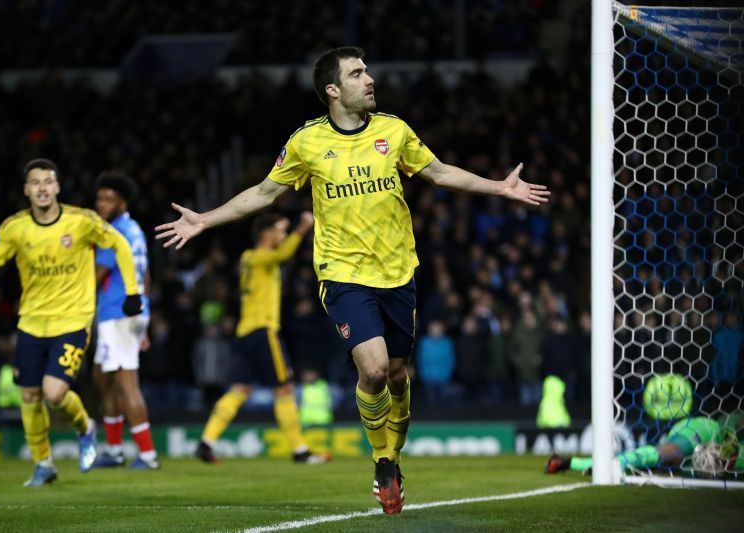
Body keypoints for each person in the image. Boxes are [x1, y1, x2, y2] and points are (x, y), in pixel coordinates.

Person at [155, 47, 549, 514]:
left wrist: (499, 187)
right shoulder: (305, 143)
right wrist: (205, 219)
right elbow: (263, 194)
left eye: (367, 71)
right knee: (375, 369)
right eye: (357, 73)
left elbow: (440, 173)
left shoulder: (394, 130)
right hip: (342, 275)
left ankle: (392, 455)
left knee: (400, 376)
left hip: (398, 272)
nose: (369, 79)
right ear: (332, 90)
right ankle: (383, 462)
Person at [0, 159, 143, 486]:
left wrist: (133, 292)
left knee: (53, 392)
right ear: (26, 190)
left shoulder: (81, 221)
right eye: (35, 183)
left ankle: (86, 427)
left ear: (57, 187)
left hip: (73, 319)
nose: (41, 188)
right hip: (32, 322)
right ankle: (44, 464)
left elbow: (119, 245)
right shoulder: (15, 228)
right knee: (29, 396)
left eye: (47, 182)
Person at [195, 212, 332, 465]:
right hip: (264, 331)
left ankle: (206, 442)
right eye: (280, 229)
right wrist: (302, 228)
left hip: (245, 333)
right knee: (285, 389)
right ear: (265, 233)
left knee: (239, 389)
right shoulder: (260, 257)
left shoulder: (248, 258)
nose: (283, 235)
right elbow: (282, 254)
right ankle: (300, 451)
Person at [91, 172, 159, 470]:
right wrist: (144, 317)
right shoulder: (134, 230)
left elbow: (96, 276)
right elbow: (144, 276)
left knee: (125, 384)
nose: (101, 204)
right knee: (103, 378)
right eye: (99, 198)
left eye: (109, 199)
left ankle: (147, 455)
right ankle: (115, 450)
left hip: (118, 314)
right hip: (127, 313)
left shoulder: (114, 232)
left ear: (123, 201)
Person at [546, 416, 744, 475]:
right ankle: (612, 466)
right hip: (702, 430)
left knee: (652, 471)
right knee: (670, 454)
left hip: (701, 450)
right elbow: (732, 418)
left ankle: (569, 463)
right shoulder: (726, 428)